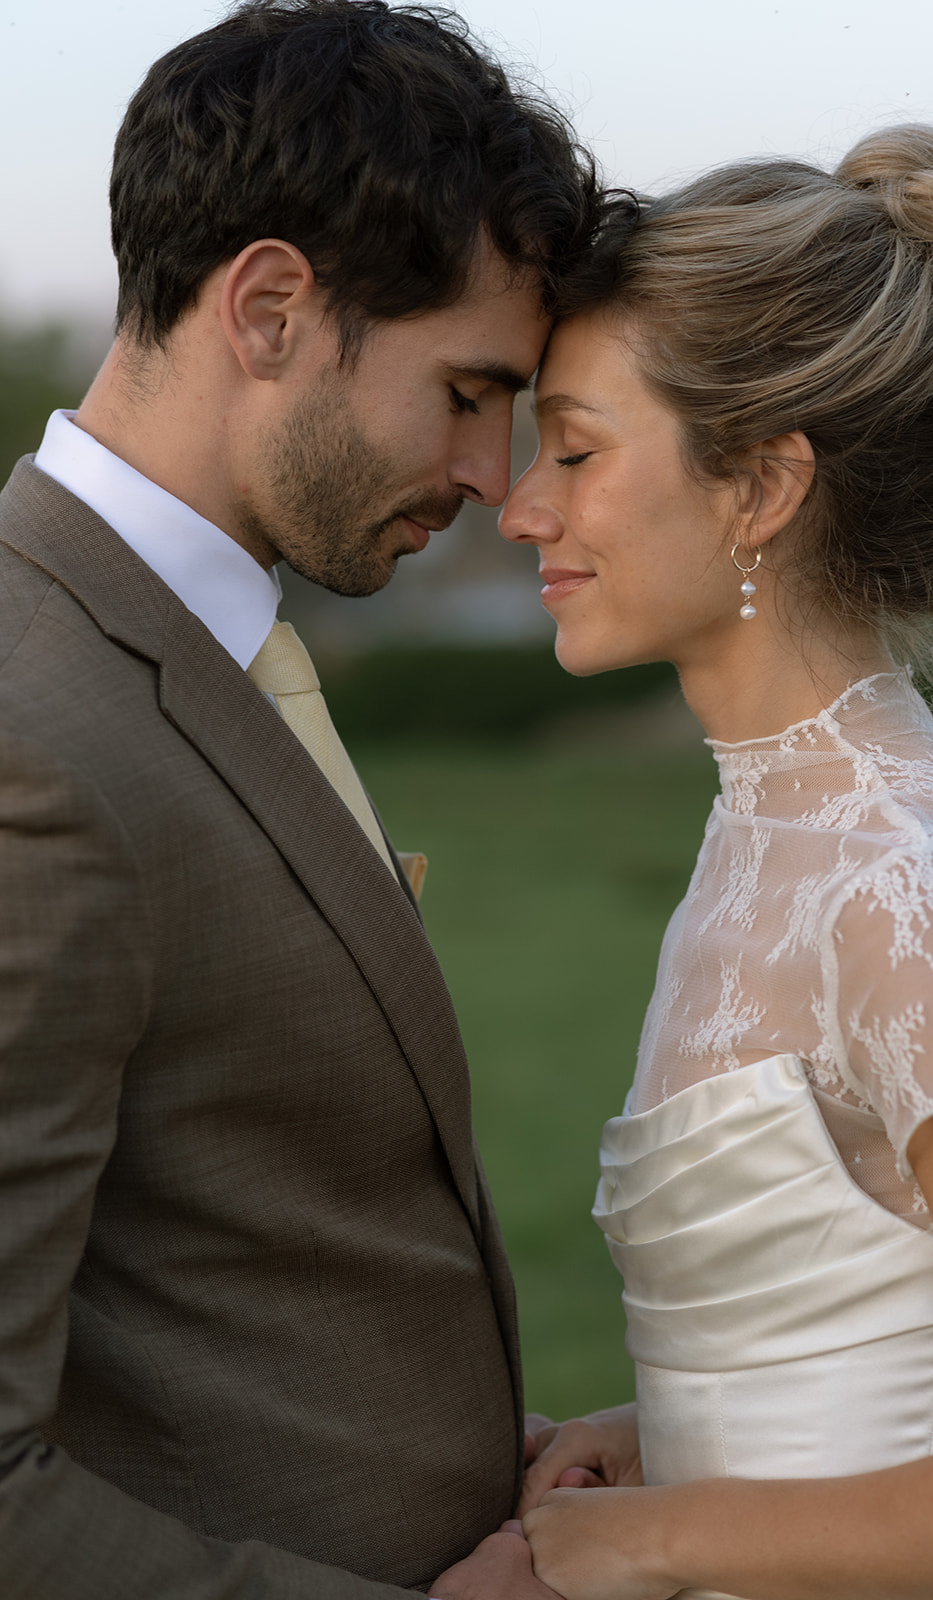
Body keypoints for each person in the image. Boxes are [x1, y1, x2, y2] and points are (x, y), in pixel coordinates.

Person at [0, 3, 603, 1596]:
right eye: (469, 391)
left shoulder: (207, 639)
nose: (494, 476)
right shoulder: (29, 742)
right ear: (268, 307)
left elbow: (233, 1257)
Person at [500, 124, 933, 1599]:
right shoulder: (771, 834)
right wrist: (672, 1440)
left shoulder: (911, 885)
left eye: (573, 447)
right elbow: (869, 1318)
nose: (523, 507)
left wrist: (656, 1540)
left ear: (761, 487)